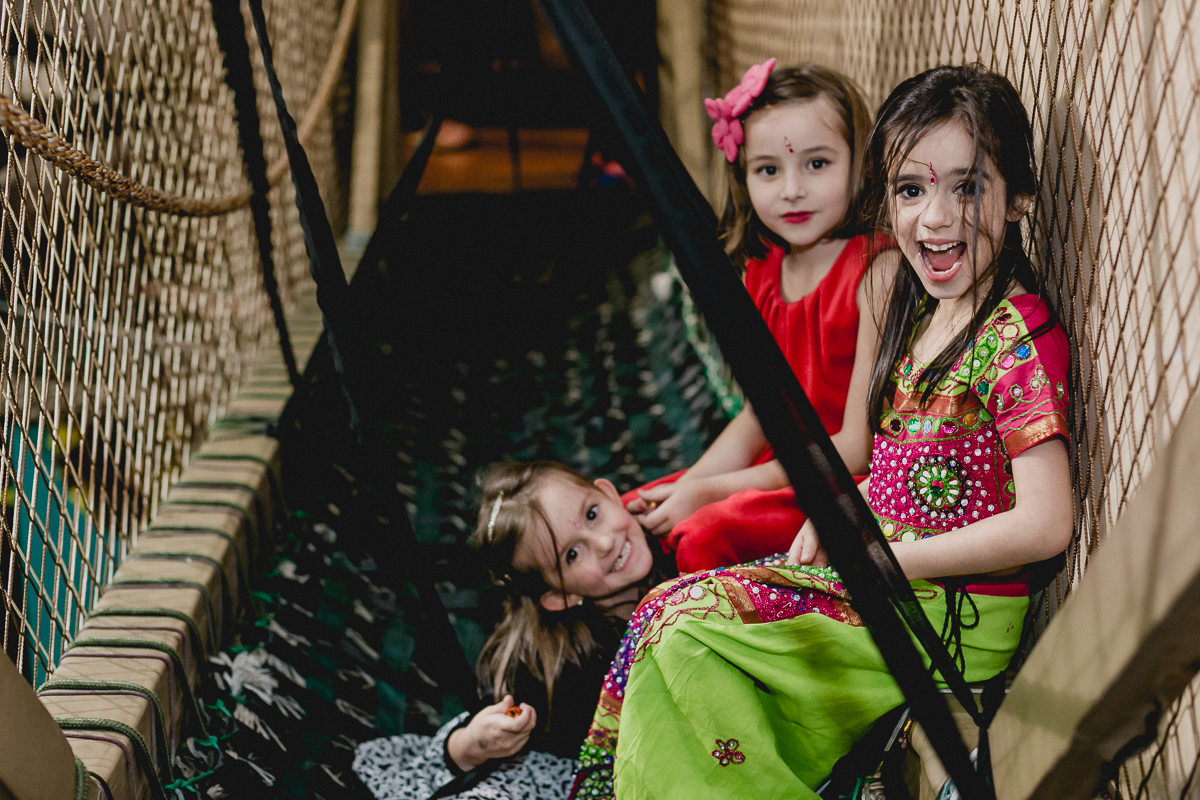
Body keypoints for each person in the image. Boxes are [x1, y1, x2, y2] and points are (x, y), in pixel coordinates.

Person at [571, 64, 1074, 800]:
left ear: (1020, 197)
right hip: (898, 581)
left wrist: (883, 559)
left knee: (687, 634)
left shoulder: (1015, 337)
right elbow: (905, 465)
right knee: (661, 613)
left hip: (951, 613)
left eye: (965, 187)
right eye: (911, 189)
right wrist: (849, 509)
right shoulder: (925, 315)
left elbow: (1046, 523)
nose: (933, 218)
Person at [624, 59, 893, 573]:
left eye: (817, 164)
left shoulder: (877, 273)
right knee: (637, 508)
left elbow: (856, 449)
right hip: (778, 470)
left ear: (859, 162)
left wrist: (709, 493)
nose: (791, 190)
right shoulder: (761, 272)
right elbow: (757, 416)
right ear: (743, 177)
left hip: (841, 483)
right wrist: (689, 484)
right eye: (768, 170)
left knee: (700, 533)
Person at [353, 461, 672, 800]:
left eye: (592, 514)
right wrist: (471, 745)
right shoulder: (554, 667)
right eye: (572, 555)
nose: (605, 542)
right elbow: (491, 719)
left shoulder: (676, 538)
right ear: (556, 596)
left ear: (609, 493)